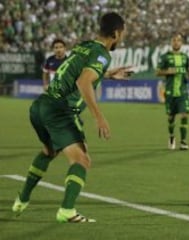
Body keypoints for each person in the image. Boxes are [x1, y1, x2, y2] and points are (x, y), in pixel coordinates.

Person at [12, 12, 133, 223]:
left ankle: (22, 199)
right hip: (61, 110)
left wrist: (107, 73)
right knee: (82, 160)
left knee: (49, 151)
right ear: (115, 33)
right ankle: (67, 210)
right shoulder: (103, 54)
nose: (121, 38)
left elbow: (76, 71)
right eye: (122, 34)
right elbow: (83, 83)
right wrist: (99, 117)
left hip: (41, 106)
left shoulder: (83, 45)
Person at [156, 33, 189, 150]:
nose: (176, 42)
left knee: (185, 114)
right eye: (174, 40)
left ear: (181, 43)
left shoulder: (185, 57)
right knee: (171, 117)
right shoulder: (165, 57)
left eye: (178, 40)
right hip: (170, 92)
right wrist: (168, 72)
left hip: (183, 92)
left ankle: (183, 141)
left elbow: (188, 70)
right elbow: (157, 72)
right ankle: (172, 136)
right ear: (171, 42)